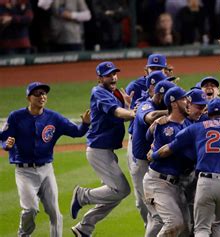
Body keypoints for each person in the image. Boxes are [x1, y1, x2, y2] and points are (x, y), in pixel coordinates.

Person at [1, 82, 90, 237]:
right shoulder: (16, 116)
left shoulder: (53, 117)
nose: (42, 96)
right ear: (29, 97)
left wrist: (85, 124)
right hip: (24, 172)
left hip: (46, 170)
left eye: (44, 93)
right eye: (37, 94)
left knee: (55, 213)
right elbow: (3, 138)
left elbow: (76, 132)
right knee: (30, 209)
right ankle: (23, 235)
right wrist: (7, 146)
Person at [155, 98, 220, 237]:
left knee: (202, 228)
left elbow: (169, 148)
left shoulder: (197, 127)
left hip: (206, 182)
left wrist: (154, 155)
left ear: (207, 113)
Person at [70, 61, 135, 237]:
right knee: (122, 190)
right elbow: (116, 113)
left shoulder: (112, 93)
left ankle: (84, 228)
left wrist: (128, 106)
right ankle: (82, 195)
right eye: (108, 75)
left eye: (115, 73)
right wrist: (133, 112)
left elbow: (120, 115)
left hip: (105, 150)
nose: (113, 77)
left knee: (113, 195)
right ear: (100, 78)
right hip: (98, 150)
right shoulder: (99, 92)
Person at [144, 86, 193, 237]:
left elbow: (148, 136)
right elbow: (186, 154)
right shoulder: (167, 128)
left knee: (185, 229)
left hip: (174, 184)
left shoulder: (185, 123)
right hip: (159, 183)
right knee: (174, 223)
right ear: (173, 103)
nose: (188, 101)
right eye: (184, 99)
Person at [129, 72, 171, 236]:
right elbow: (150, 117)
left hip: (154, 165)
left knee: (159, 215)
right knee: (156, 215)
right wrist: (170, 111)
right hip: (142, 166)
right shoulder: (145, 105)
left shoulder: (158, 105)